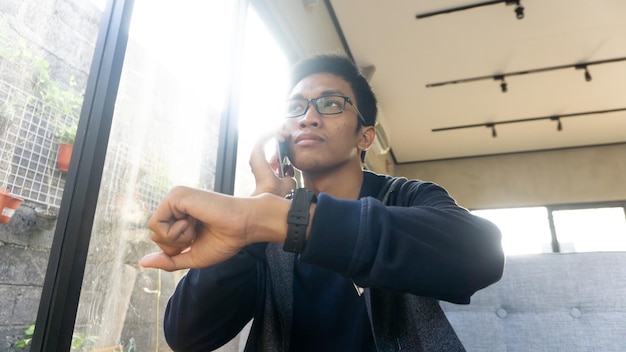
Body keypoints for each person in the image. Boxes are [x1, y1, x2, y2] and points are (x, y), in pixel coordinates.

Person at [140, 54, 504, 351]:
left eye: (330, 104)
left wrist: (284, 219)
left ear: (366, 136)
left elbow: (481, 254)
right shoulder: (265, 216)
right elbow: (187, 335)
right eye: (296, 107)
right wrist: (263, 203)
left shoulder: (406, 198)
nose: (308, 117)